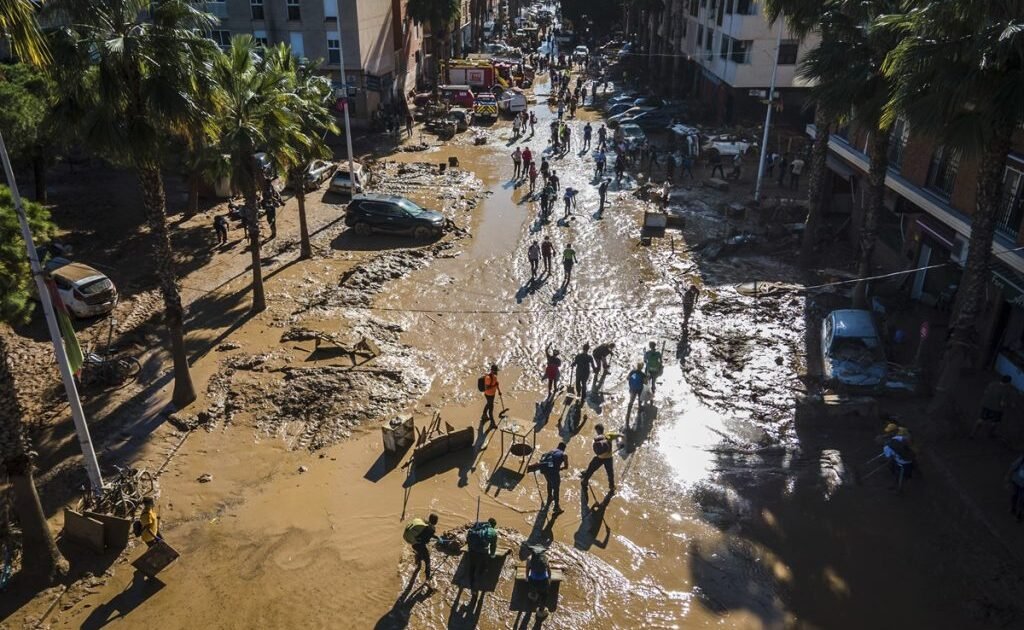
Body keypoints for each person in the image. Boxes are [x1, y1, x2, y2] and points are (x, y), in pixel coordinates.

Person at [580, 423, 622, 492]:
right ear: (603, 429)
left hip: (599, 458)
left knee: (591, 467)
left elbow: (596, 450)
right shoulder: (609, 435)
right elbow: (620, 435)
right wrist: (621, 443)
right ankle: (611, 487)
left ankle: (584, 481)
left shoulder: (597, 438)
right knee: (610, 473)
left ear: (597, 430)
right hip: (609, 458)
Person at [404, 513, 440, 587]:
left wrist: (436, 537)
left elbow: (423, 534)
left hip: (414, 544)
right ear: (436, 522)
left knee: (420, 552)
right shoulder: (432, 529)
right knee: (428, 561)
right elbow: (426, 540)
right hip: (419, 545)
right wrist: (433, 538)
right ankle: (427, 580)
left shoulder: (425, 523)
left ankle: (418, 562)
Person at [465, 518, 500, 590]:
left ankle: (471, 584)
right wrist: (492, 555)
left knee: (472, 567)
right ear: (493, 526)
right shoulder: (493, 532)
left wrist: (470, 547)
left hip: (472, 550)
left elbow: (468, 536)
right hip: (482, 552)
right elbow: (493, 545)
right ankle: (479, 579)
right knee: (483, 566)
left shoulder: (478, 526)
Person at [539, 443, 569, 511]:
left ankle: (550, 497)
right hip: (553, 472)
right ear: (564, 448)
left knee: (549, 482)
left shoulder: (551, 451)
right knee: (556, 489)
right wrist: (559, 469)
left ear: (557, 446)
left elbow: (544, 458)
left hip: (545, 470)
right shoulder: (564, 454)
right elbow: (566, 467)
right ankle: (556, 507)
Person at [1007, 453, 1024, 521]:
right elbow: (1013, 466)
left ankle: (1019, 514)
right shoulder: (1022, 459)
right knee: (1014, 495)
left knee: (1022, 499)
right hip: (1016, 482)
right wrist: (1008, 476)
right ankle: (1013, 508)